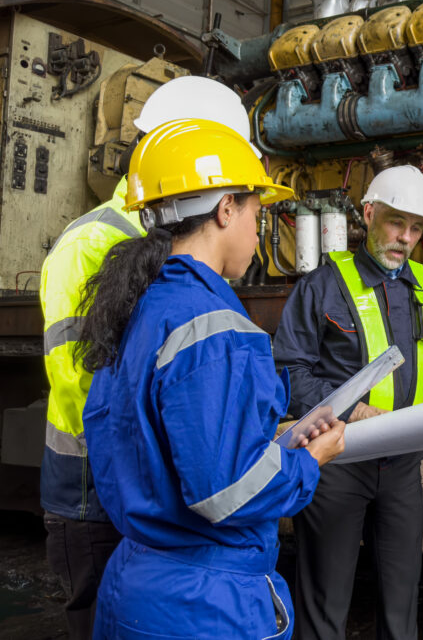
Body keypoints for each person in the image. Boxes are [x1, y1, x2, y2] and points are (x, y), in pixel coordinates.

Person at [78, 118, 347, 638]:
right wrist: (309, 459)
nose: (256, 231)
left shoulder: (140, 305)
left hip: (136, 584)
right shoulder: (218, 328)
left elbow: (152, 441)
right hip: (204, 605)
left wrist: (265, 438)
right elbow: (227, 493)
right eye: (256, 212)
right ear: (227, 209)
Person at [37, 75, 253, 639]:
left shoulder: (174, 248)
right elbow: (83, 385)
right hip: (95, 497)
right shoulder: (93, 244)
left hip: (146, 500)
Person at [274, 163, 423, 639]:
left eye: (416, 227)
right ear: (367, 214)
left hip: (403, 468)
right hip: (338, 464)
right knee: (325, 603)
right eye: (395, 222)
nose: (405, 237)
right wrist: (347, 409)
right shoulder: (321, 285)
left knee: (402, 606)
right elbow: (288, 371)